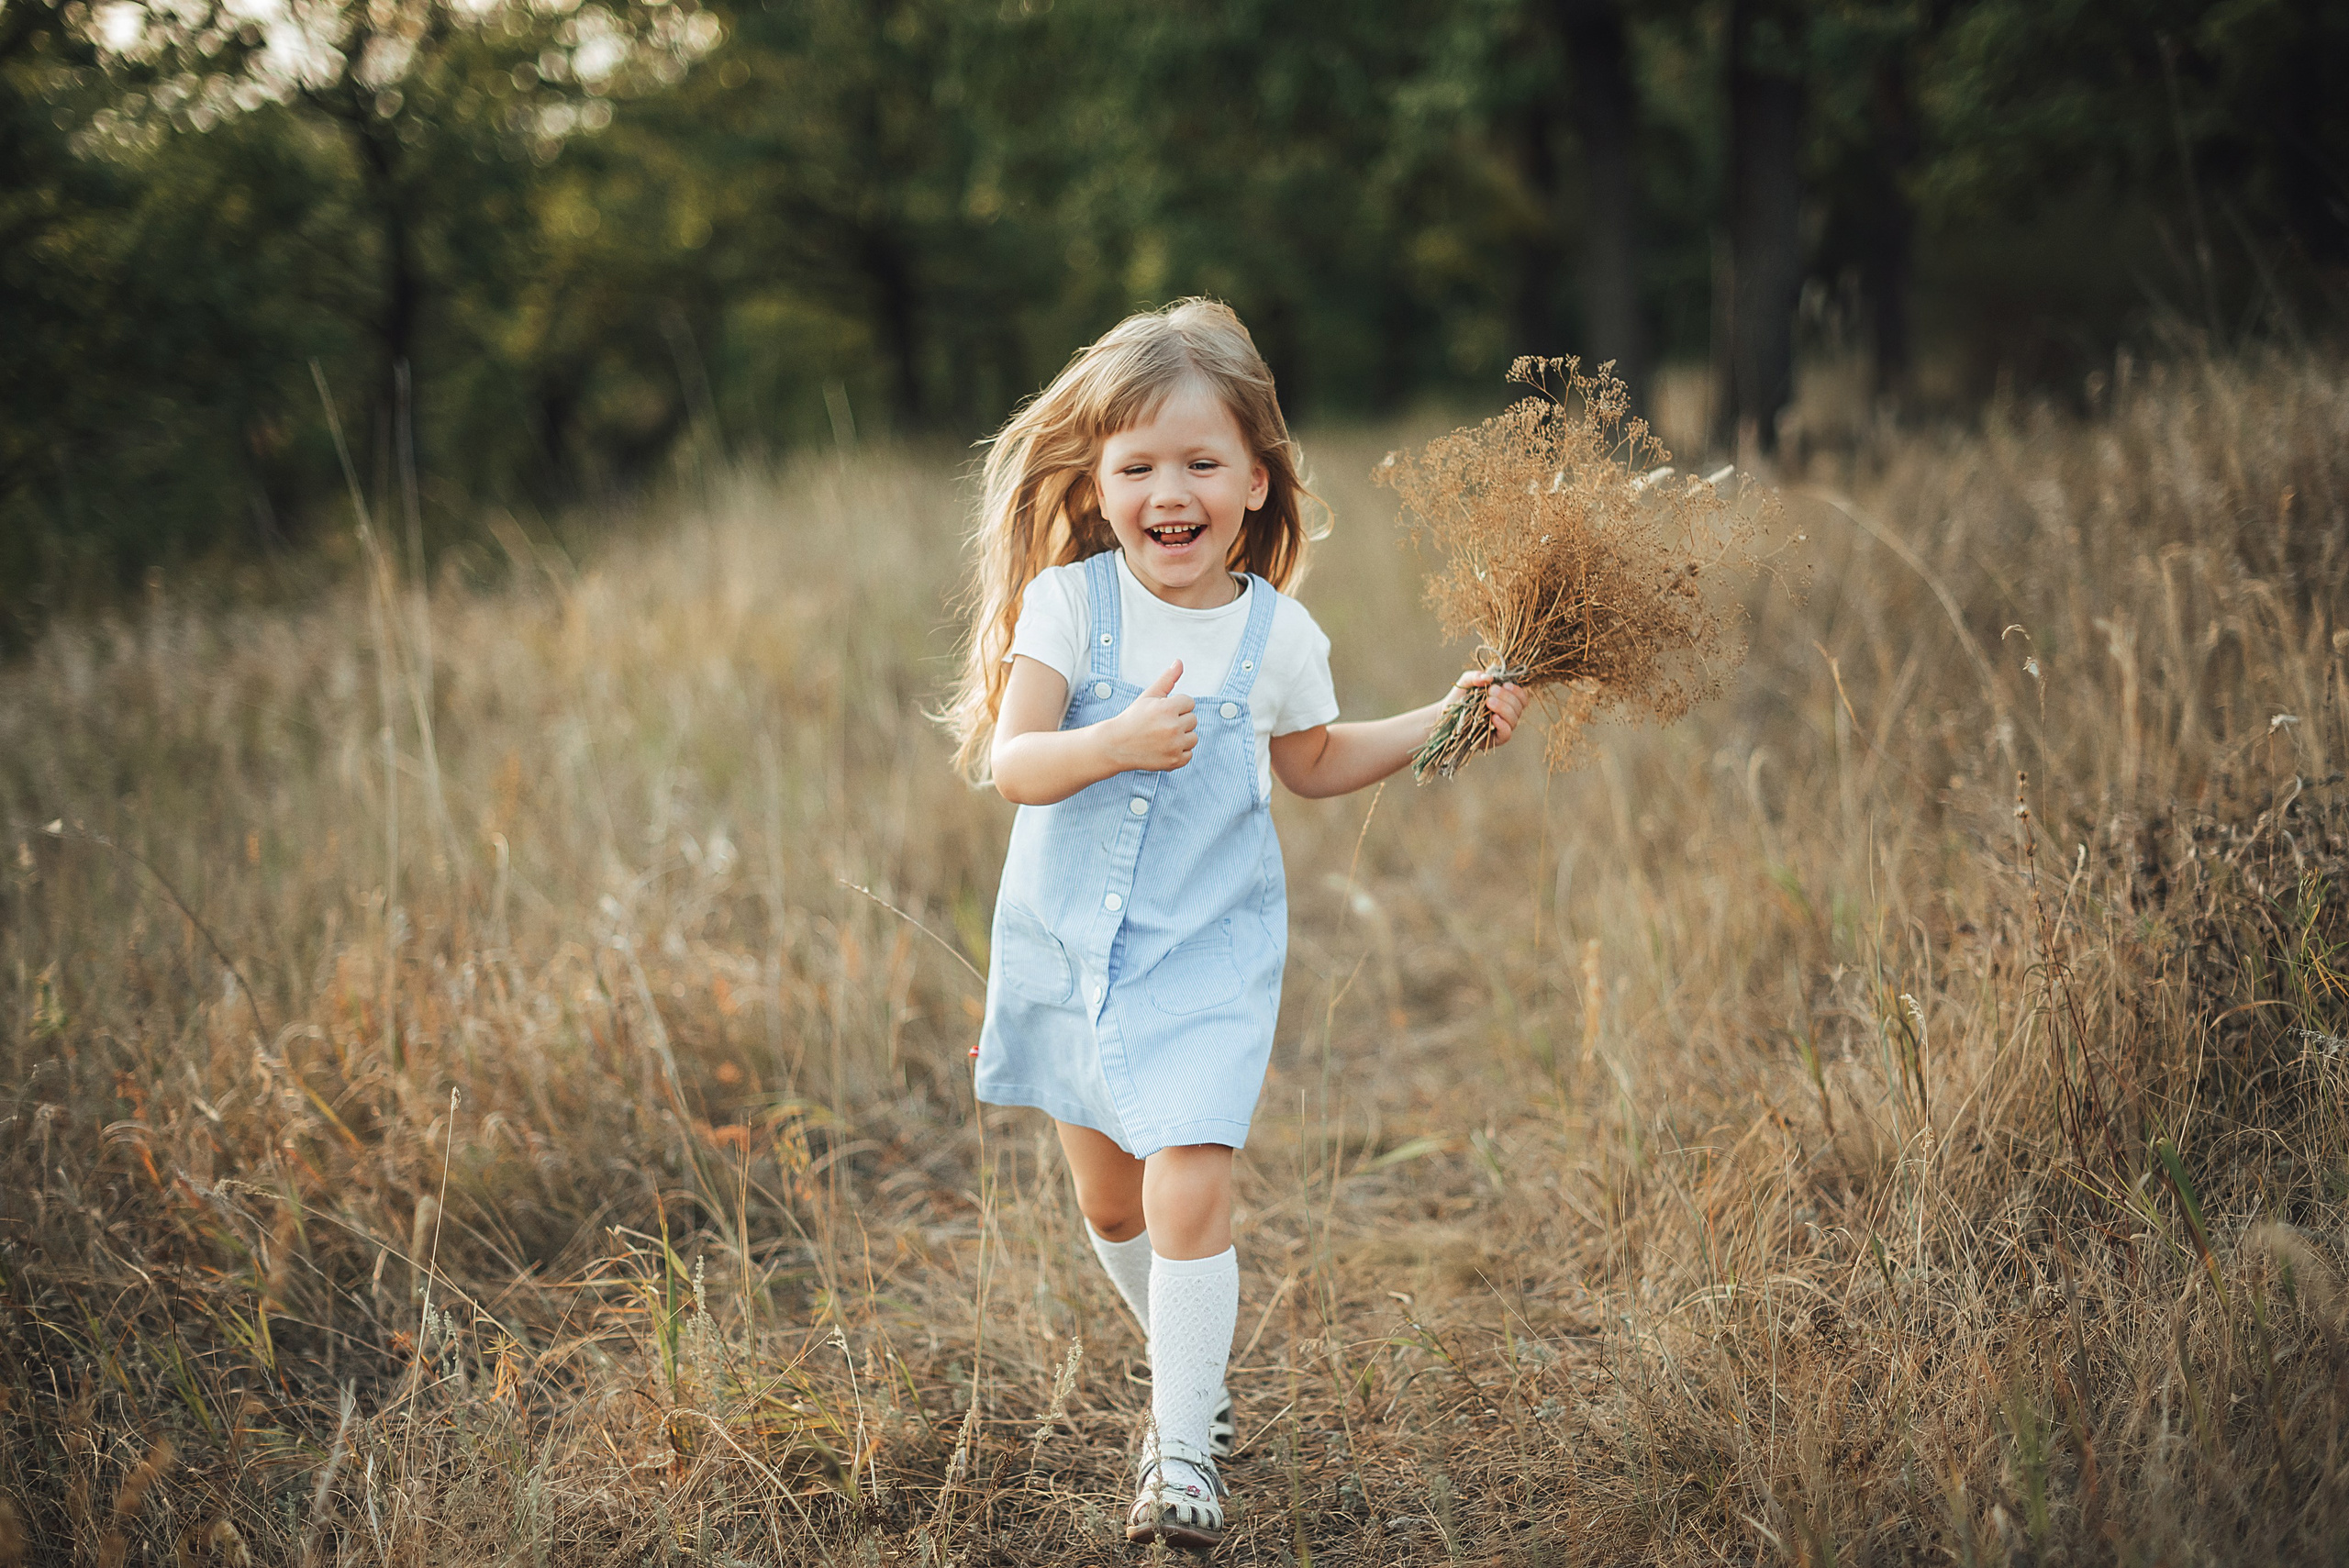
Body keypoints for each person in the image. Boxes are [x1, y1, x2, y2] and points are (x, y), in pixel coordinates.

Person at [944, 298, 1528, 1551]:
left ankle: (1187, 1446)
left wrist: (1446, 719)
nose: (1173, 490)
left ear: (1255, 485)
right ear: (1098, 486)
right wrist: (1111, 742)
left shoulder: (1278, 634)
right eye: (1140, 464)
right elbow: (1014, 763)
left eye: (1203, 463)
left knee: (1190, 1182)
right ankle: (1183, 1369)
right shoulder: (1068, 606)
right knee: (1111, 1203)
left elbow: (1313, 761)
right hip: (1071, 958)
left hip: (1206, 959)